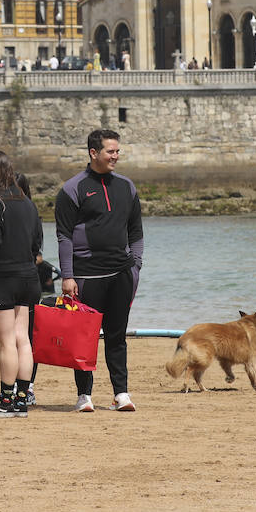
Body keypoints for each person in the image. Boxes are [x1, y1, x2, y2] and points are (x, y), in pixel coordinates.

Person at [55, 128, 144, 412]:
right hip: (86, 277)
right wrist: (67, 275)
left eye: (118, 151)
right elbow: (64, 236)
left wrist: (136, 267)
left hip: (121, 274)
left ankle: (121, 394)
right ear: (94, 153)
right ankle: (84, 396)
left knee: (117, 337)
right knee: (84, 340)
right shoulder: (73, 189)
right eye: (110, 151)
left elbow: (136, 232)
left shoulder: (127, 187)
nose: (116, 156)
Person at [0, 151, 42, 417]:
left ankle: (6, 400)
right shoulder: (27, 202)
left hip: (1, 280)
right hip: (28, 278)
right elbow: (37, 245)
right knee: (22, 340)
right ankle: (21, 399)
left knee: (6, 343)